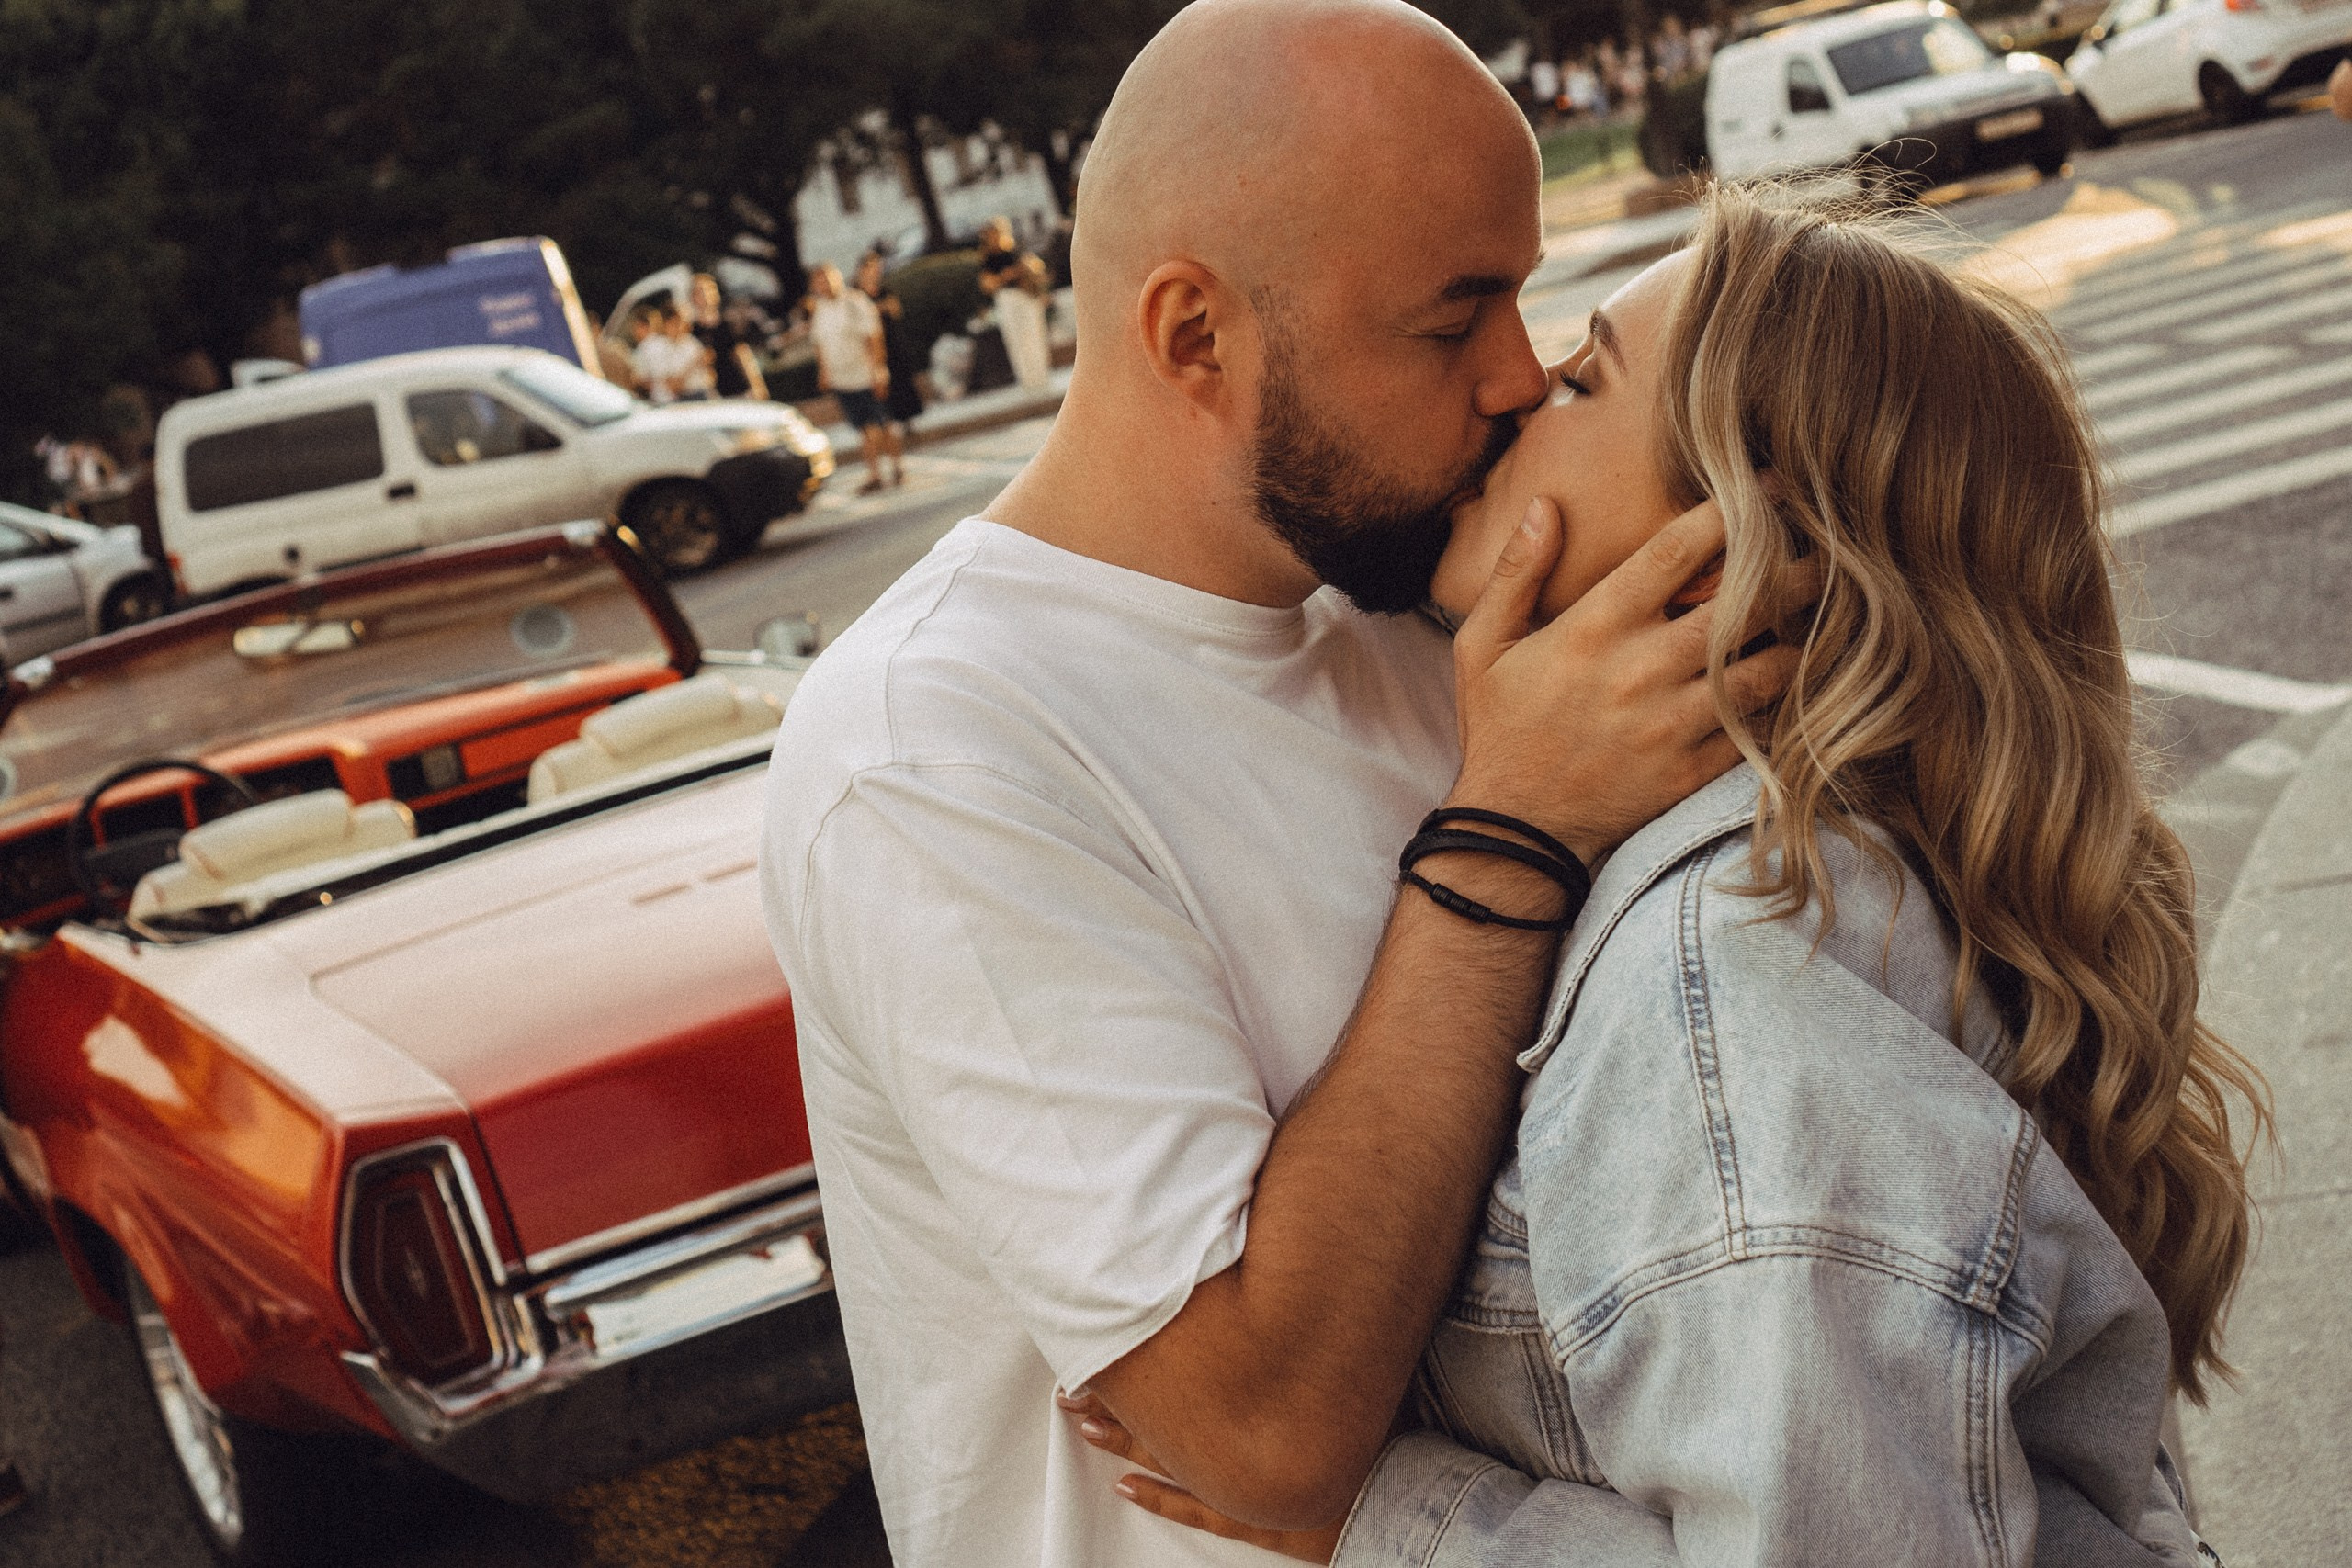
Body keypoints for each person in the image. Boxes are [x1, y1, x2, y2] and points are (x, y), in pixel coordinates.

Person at [758, 4, 1799, 1565]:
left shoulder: (1430, 594)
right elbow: (1261, 1428)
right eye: (1452, 323)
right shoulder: (933, 747)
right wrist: (1506, 840)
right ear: (1196, 335)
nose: (1519, 377)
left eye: (1522, 298)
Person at [1084, 186, 2261, 1565]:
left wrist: (1389, 1519)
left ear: (1721, 561)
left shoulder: (1736, 988)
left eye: (1582, 380)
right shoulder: (1820, 882)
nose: (1514, 392)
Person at [807, 262, 902, 492]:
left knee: (882, 424)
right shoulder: (820, 310)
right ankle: (875, 474)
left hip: (865, 374)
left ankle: (896, 466)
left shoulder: (855, 301)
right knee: (863, 428)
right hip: (842, 378)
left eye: (827, 278)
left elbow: (873, 336)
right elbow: (819, 344)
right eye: (819, 281)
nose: (824, 284)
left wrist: (878, 370)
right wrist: (824, 372)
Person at [855, 249, 927, 435]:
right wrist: (878, 309)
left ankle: (908, 419)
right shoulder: (857, 294)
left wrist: (877, 309)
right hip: (873, 343)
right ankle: (889, 421)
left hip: (892, 340)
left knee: (901, 379)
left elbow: (895, 310)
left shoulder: (884, 289)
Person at [978, 214, 1054, 389]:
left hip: (1026, 297)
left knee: (1034, 335)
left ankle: (1041, 375)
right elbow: (987, 285)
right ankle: (1027, 380)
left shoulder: (1014, 251)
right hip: (1007, 299)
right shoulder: (988, 259)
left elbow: (1033, 271)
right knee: (1016, 340)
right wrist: (1006, 276)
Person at [691, 272, 769, 400]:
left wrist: (756, 384)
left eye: (710, 290)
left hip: (738, 387)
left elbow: (742, 354)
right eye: (701, 292)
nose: (706, 296)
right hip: (713, 393)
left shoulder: (727, 323)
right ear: (693, 297)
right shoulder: (692, 330)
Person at [631, 305, 711, 404]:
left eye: (683, 323)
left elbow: (710, 377)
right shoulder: (658, 348)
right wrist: (694, 364)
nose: (680, 327)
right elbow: (672, 386)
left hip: (700, 396)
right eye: (675, 323)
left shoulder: (693, 344)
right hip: (673, 401)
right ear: (665, 324)